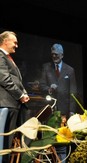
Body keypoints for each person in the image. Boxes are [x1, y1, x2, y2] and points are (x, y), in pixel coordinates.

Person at [39, 43, 77, 162]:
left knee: (62, 141)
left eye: (56, 54)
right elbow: (41, 86)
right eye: (52, 54)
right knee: (48, 141)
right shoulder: (46, 67)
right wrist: (49, 89)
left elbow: (73, 92)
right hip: (49, 110)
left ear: (62, 55)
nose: (54, 56)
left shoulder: (70, 70)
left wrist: (71, 111)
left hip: (64, 112)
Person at [0, 31, 30, 162]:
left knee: (21, 137)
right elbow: (5, 79)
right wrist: (20, 95)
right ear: (5, 41)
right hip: (7, 104)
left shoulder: (8, 58)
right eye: (14, 42)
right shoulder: (0, 56)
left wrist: (24, 93)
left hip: (15, 104)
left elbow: (17, 79)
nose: (16, 46)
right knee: (5, 141)